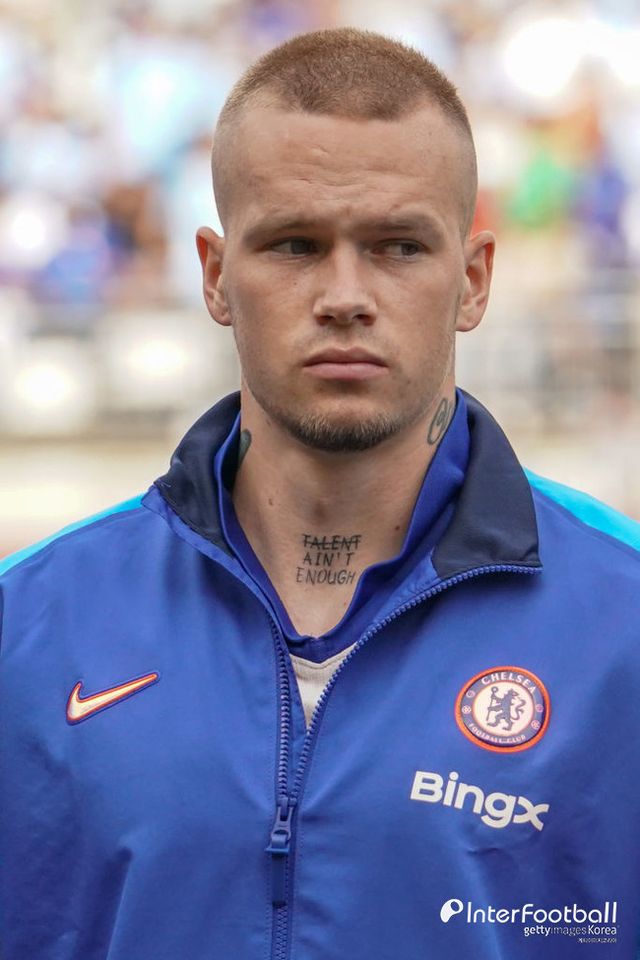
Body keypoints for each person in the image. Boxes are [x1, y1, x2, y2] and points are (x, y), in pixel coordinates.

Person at [1, 27, 639, 960]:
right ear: (217, 276)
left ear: (473, 281)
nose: (345, 295)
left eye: (398, 247)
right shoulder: (29, 628)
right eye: (295, 245)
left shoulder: (622, 625)